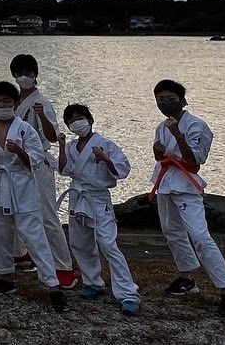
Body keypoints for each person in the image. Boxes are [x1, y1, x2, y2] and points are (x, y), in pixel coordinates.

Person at [150, 80, 225, 318]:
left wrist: (178, 135)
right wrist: (158, 153)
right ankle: (187, 276)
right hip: (166, 183)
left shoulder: (197, 126)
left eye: (170, 99)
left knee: (200, 236)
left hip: (186, 186)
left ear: (183, 101)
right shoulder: (162, 126)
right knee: (172, 231)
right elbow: (161, 157)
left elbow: (194, 161)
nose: (165, 103)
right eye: (160, 100)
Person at [0, 82, 65, 312]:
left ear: (15, 104)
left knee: (34, 235)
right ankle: (4, 277)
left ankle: (52, 284)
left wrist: (19, 151)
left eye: (6, 101)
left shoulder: (25, 129)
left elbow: (35, 159)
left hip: (22, 188)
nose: (1, 105)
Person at [56, 104, 140, 316]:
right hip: (77, 197)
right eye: (71, 120)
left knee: (108, 244)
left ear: (90, 120)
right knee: (80, 243)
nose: (76, 123)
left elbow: (122, 170)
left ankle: (128, 294)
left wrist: (105, 158)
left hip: (98, 198)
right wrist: (61, 146)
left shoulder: (106, 144)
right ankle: (92, 282)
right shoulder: (70, 146)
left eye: (80, 118)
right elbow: (64, 170)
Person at [9, 53, 77, 288]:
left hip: (39, 163)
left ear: (35, 74)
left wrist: (41, 116)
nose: (24, 77)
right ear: (14, 75)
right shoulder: (12, 101)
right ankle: (21, 254)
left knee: (47, 215)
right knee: (14, 210)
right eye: (19, 73)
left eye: (28, 73)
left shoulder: (41, 102)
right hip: (15, 163)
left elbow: (51, 136)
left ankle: (63, 266)